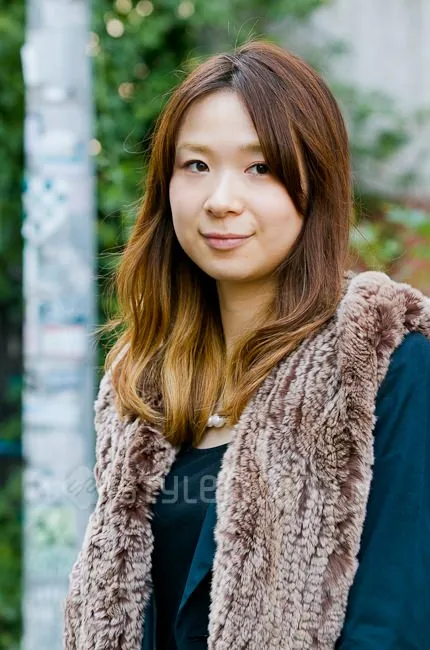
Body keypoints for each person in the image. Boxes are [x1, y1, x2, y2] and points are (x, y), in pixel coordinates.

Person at [63, 40, 430, 650]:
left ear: (315, 182)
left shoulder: (385, 365)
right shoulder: (141, 388)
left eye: (259, 168)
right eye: (196, 165)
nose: (221, 200)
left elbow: (393, 624)